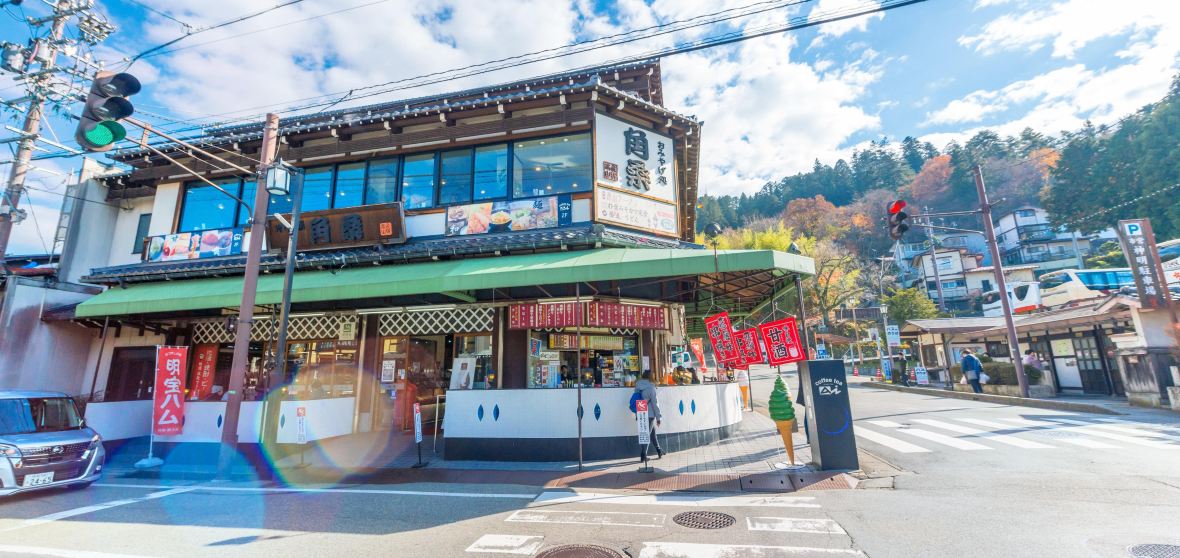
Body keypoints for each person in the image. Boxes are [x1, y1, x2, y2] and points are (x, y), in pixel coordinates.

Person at [635, 370, 664, 461]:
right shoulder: (651, 387)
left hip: (641, 412)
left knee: (652, 433)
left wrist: (637, 414)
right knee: (647, 435)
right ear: (651, 376)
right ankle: (643, 456)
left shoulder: (638, 385)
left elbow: (637, 399)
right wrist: (659, 418)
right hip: (650, 414)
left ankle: (659, 451)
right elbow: (655, 404)